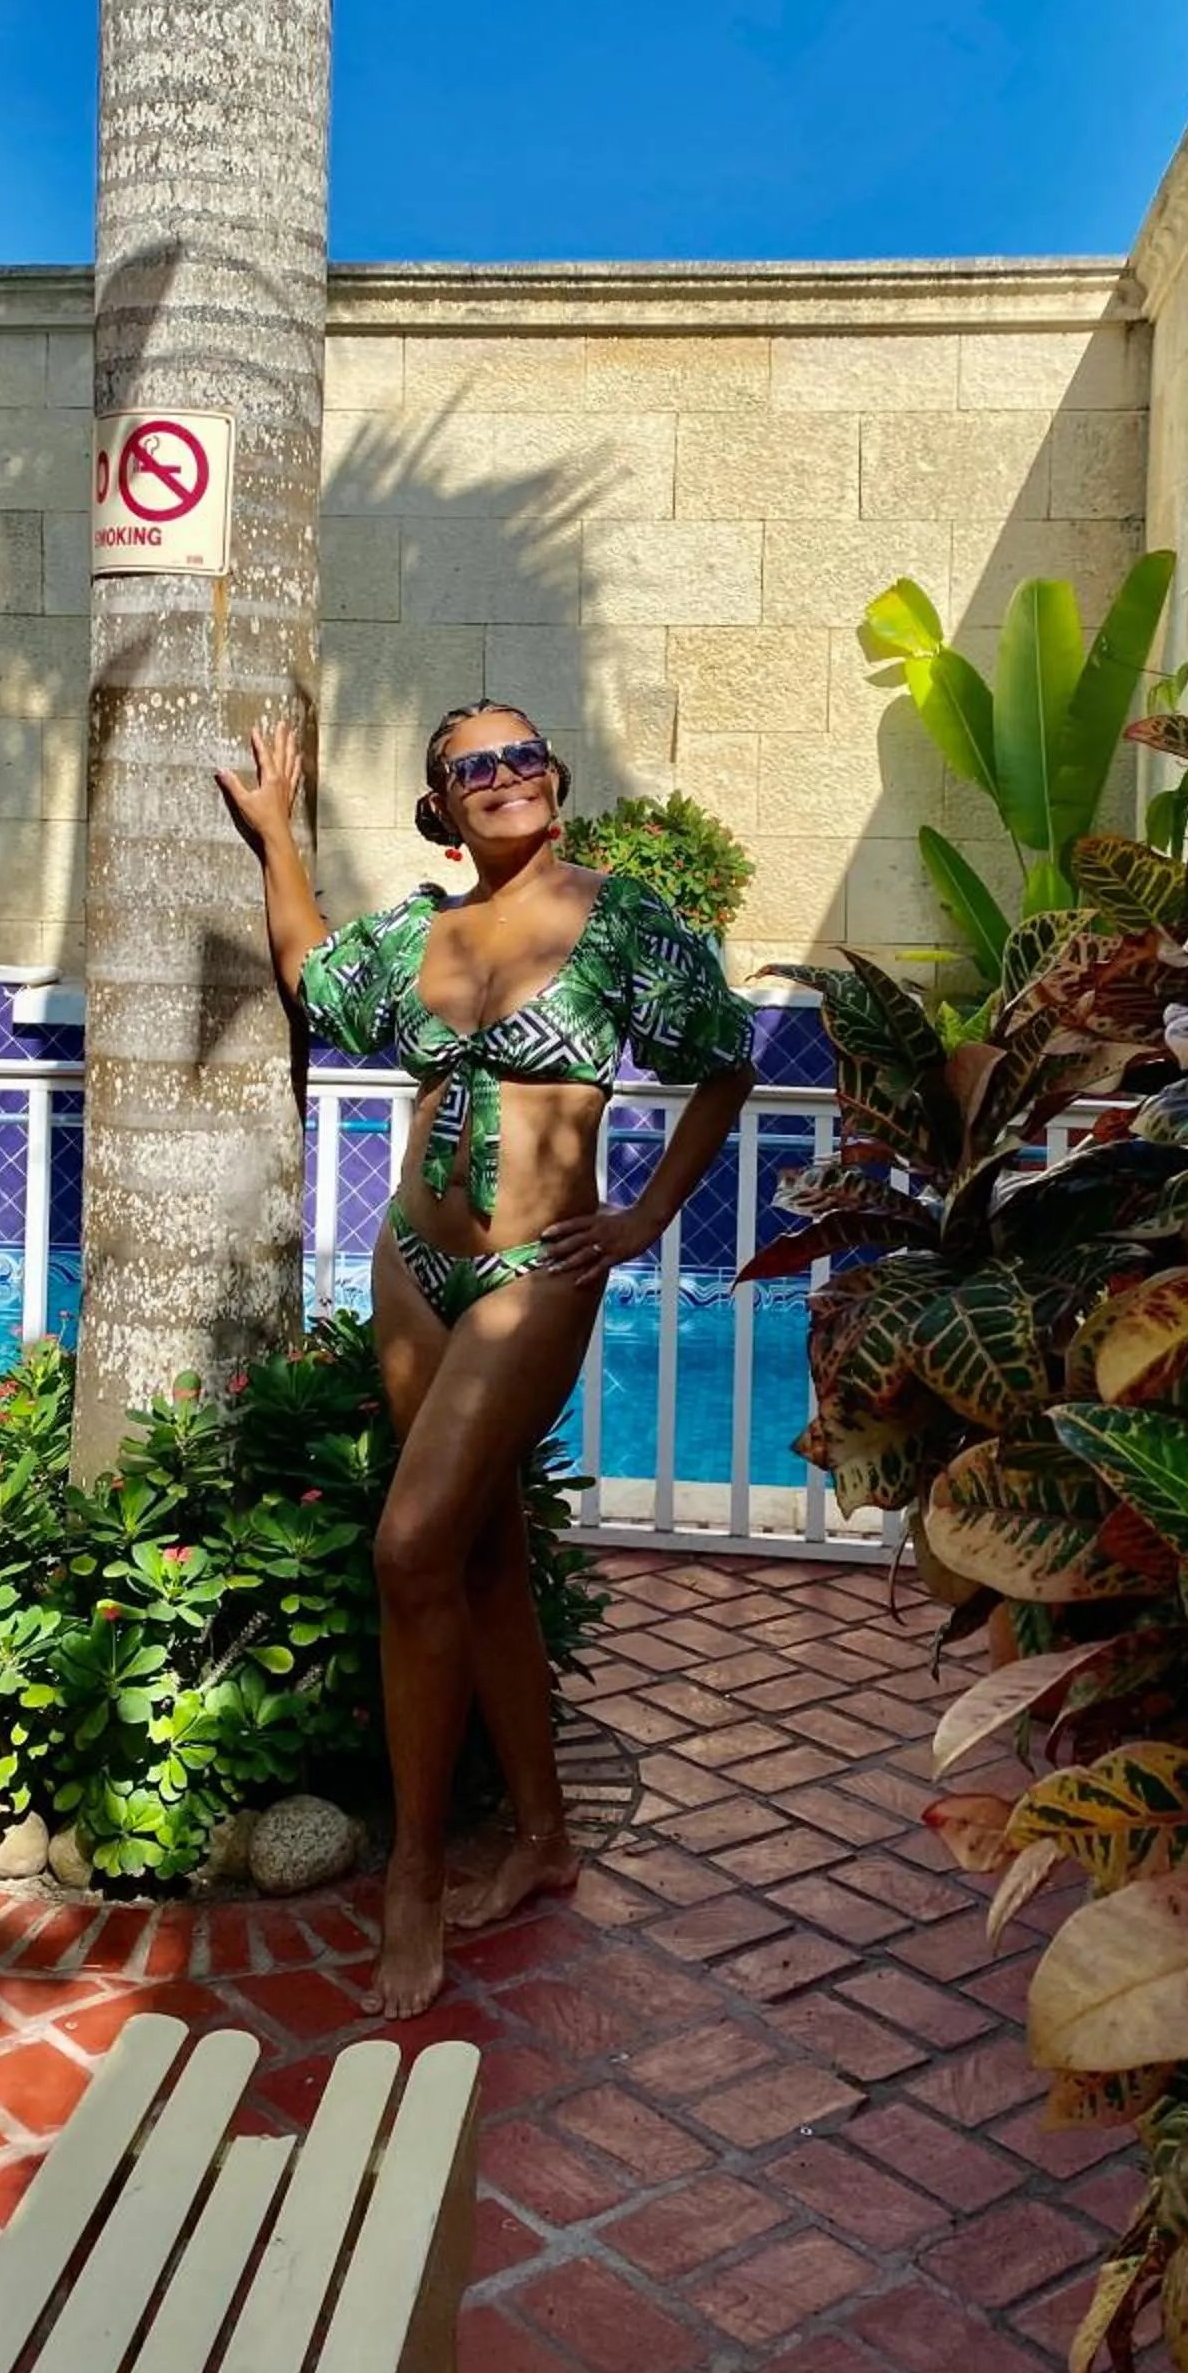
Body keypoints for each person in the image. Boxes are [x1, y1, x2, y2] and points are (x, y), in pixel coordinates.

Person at [218, 703, 758, 2017]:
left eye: (523, 756)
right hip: (414, 1259)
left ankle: (412, 1873)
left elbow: (726, 1065)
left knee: (409, 1550)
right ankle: (542, 1835)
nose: (506, 775)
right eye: (475, 767)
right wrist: (277, 835)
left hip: (535, 1272)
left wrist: (642, 1217)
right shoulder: (422, 933)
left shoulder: (620, 924)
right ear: (441, 806)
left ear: (553, 780)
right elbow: (313, 975)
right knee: (479, 1551)